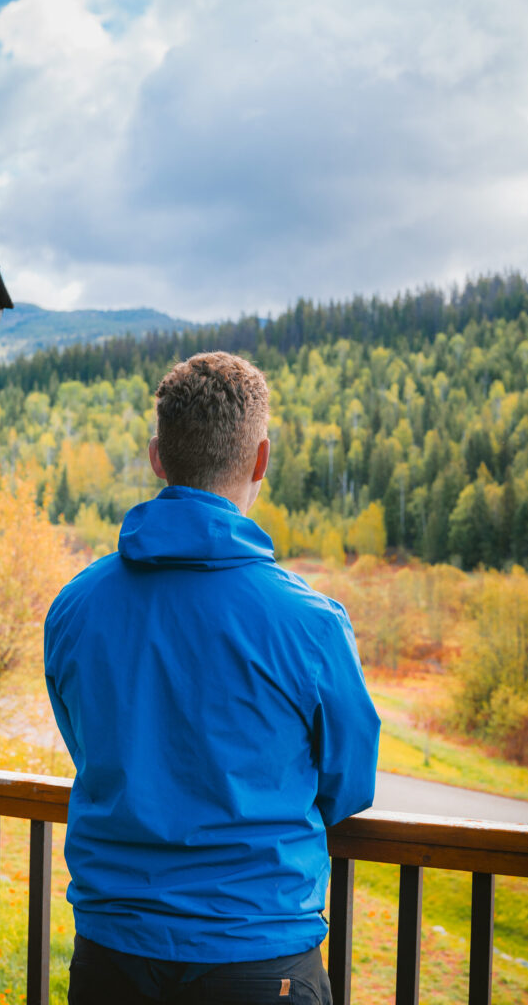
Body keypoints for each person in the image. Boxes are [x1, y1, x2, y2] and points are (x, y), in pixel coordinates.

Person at [44, 351, 381, 1005]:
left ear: (156, 457)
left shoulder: (76, 607)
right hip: (258, 957)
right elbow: (348, 785)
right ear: (260, 460)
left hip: (112, 955)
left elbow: (91, 747)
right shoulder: (308, 623)